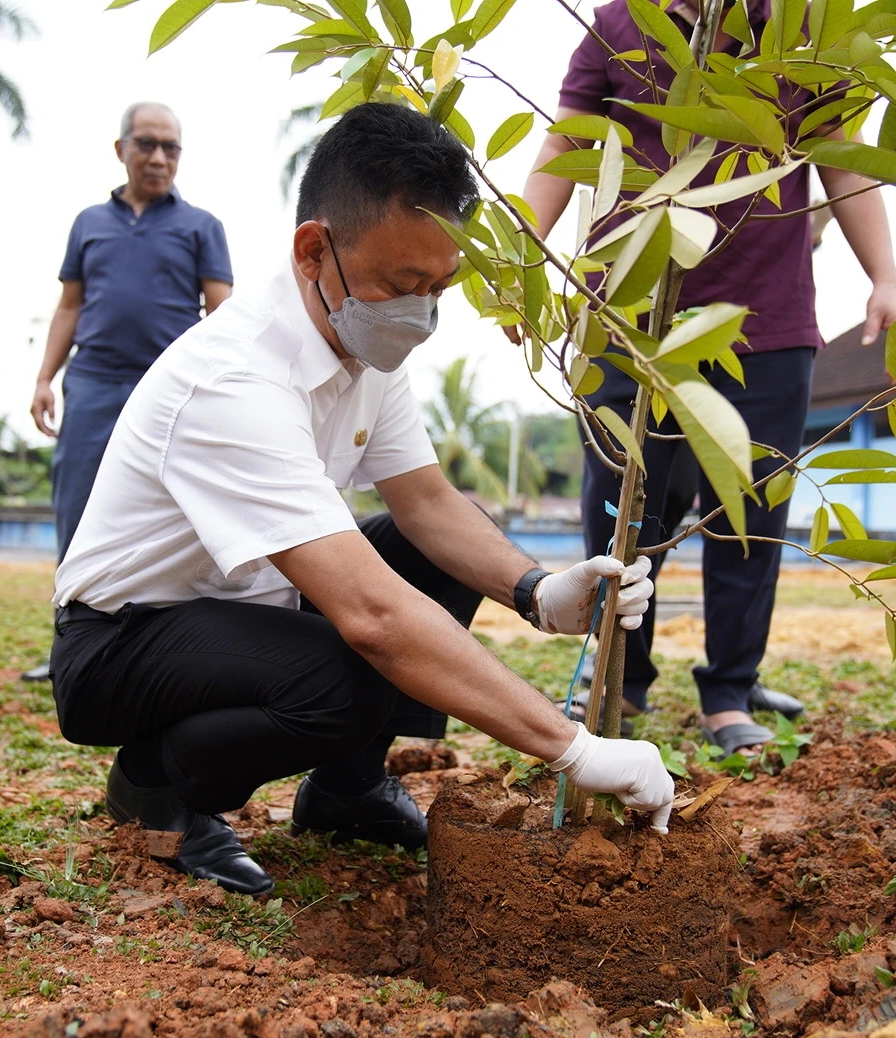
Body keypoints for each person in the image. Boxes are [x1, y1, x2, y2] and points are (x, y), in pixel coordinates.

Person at [50, 102, 674, 895]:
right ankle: (159, 783)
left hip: (250, 608)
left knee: (432, 552)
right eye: (402, 285)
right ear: (315, 251)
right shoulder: (235, 379)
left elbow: (427, 504)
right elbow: (374, 617)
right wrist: (573, 749)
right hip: (124, 641)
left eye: (439, 286)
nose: (419, 314)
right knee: (351, 673)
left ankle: (345, 791)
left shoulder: (362, 347)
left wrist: (538, 591)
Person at [518, 0, 896, 754]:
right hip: (626, 315)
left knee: (752, 510)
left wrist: (885, 277)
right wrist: (525, 264)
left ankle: (730, 690)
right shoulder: (616, 26)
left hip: (766, 319)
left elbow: (844, 159)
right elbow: (564, 143)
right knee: (621, 506)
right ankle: (619, 679)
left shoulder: (805, 32)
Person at [21, 102, 233, 682]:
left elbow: (221, 314)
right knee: (76, 508)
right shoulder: (88, 223)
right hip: (92, 384)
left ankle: (170, 648)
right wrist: (43, 378)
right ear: (121, 150)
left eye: (171, 147)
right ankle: (71, 649)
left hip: (171, 392)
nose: (159, 157)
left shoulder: (202, 227)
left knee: (179, 517)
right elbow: (69, 306)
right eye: (146, 144)